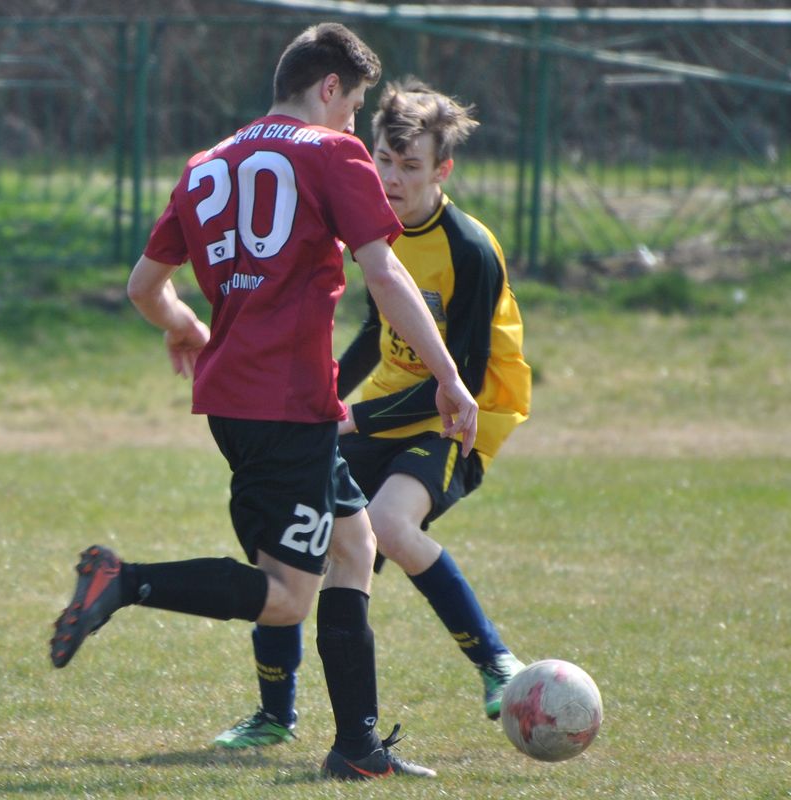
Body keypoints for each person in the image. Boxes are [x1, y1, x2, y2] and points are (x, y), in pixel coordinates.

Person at [49, 27, 480, 781]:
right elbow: (382, 272)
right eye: (355, 105)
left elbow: (144, 287)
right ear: (328, 88)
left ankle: (357, 748)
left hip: (238, 401)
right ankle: (124, 579)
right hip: (287, 405)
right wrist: (447, 374)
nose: (355, 123)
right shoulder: (331, 152)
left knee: (356, 545)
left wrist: (185, 326)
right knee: (284, 598)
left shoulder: (207, 164)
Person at [214, 78, 531, 751]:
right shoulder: (373, 228)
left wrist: (353, 420)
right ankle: (274, 714)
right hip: (384, 408)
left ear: (442, 170)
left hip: (458, 420)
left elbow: (463, 379)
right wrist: (319, 397)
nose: (391, 178)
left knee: (388, 522)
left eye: (410, 165)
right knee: (297, 541)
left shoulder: (470, 249)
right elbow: (371, 331)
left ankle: (496, 662)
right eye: (384, 159)